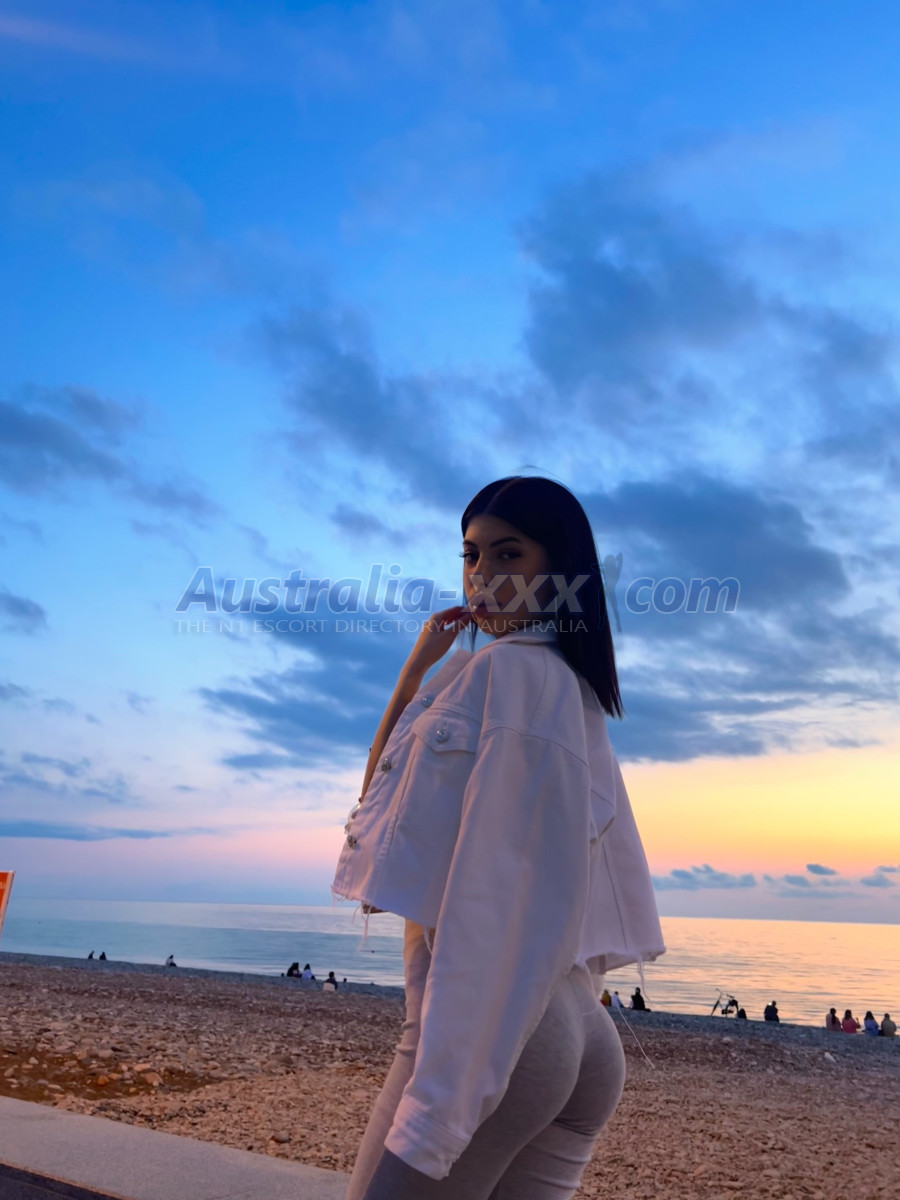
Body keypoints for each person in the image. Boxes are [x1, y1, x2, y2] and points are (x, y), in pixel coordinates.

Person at [332, 476, 665, 1199]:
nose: (481, 575)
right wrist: (415, 669)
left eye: (509, 554)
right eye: (471, 555)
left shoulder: (515, 674)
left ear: (561, 569)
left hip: (503, 1027)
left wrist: (437, 1112)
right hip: (568, 1019)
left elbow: (499, 894)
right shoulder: (554, 683)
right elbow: (379, 806)